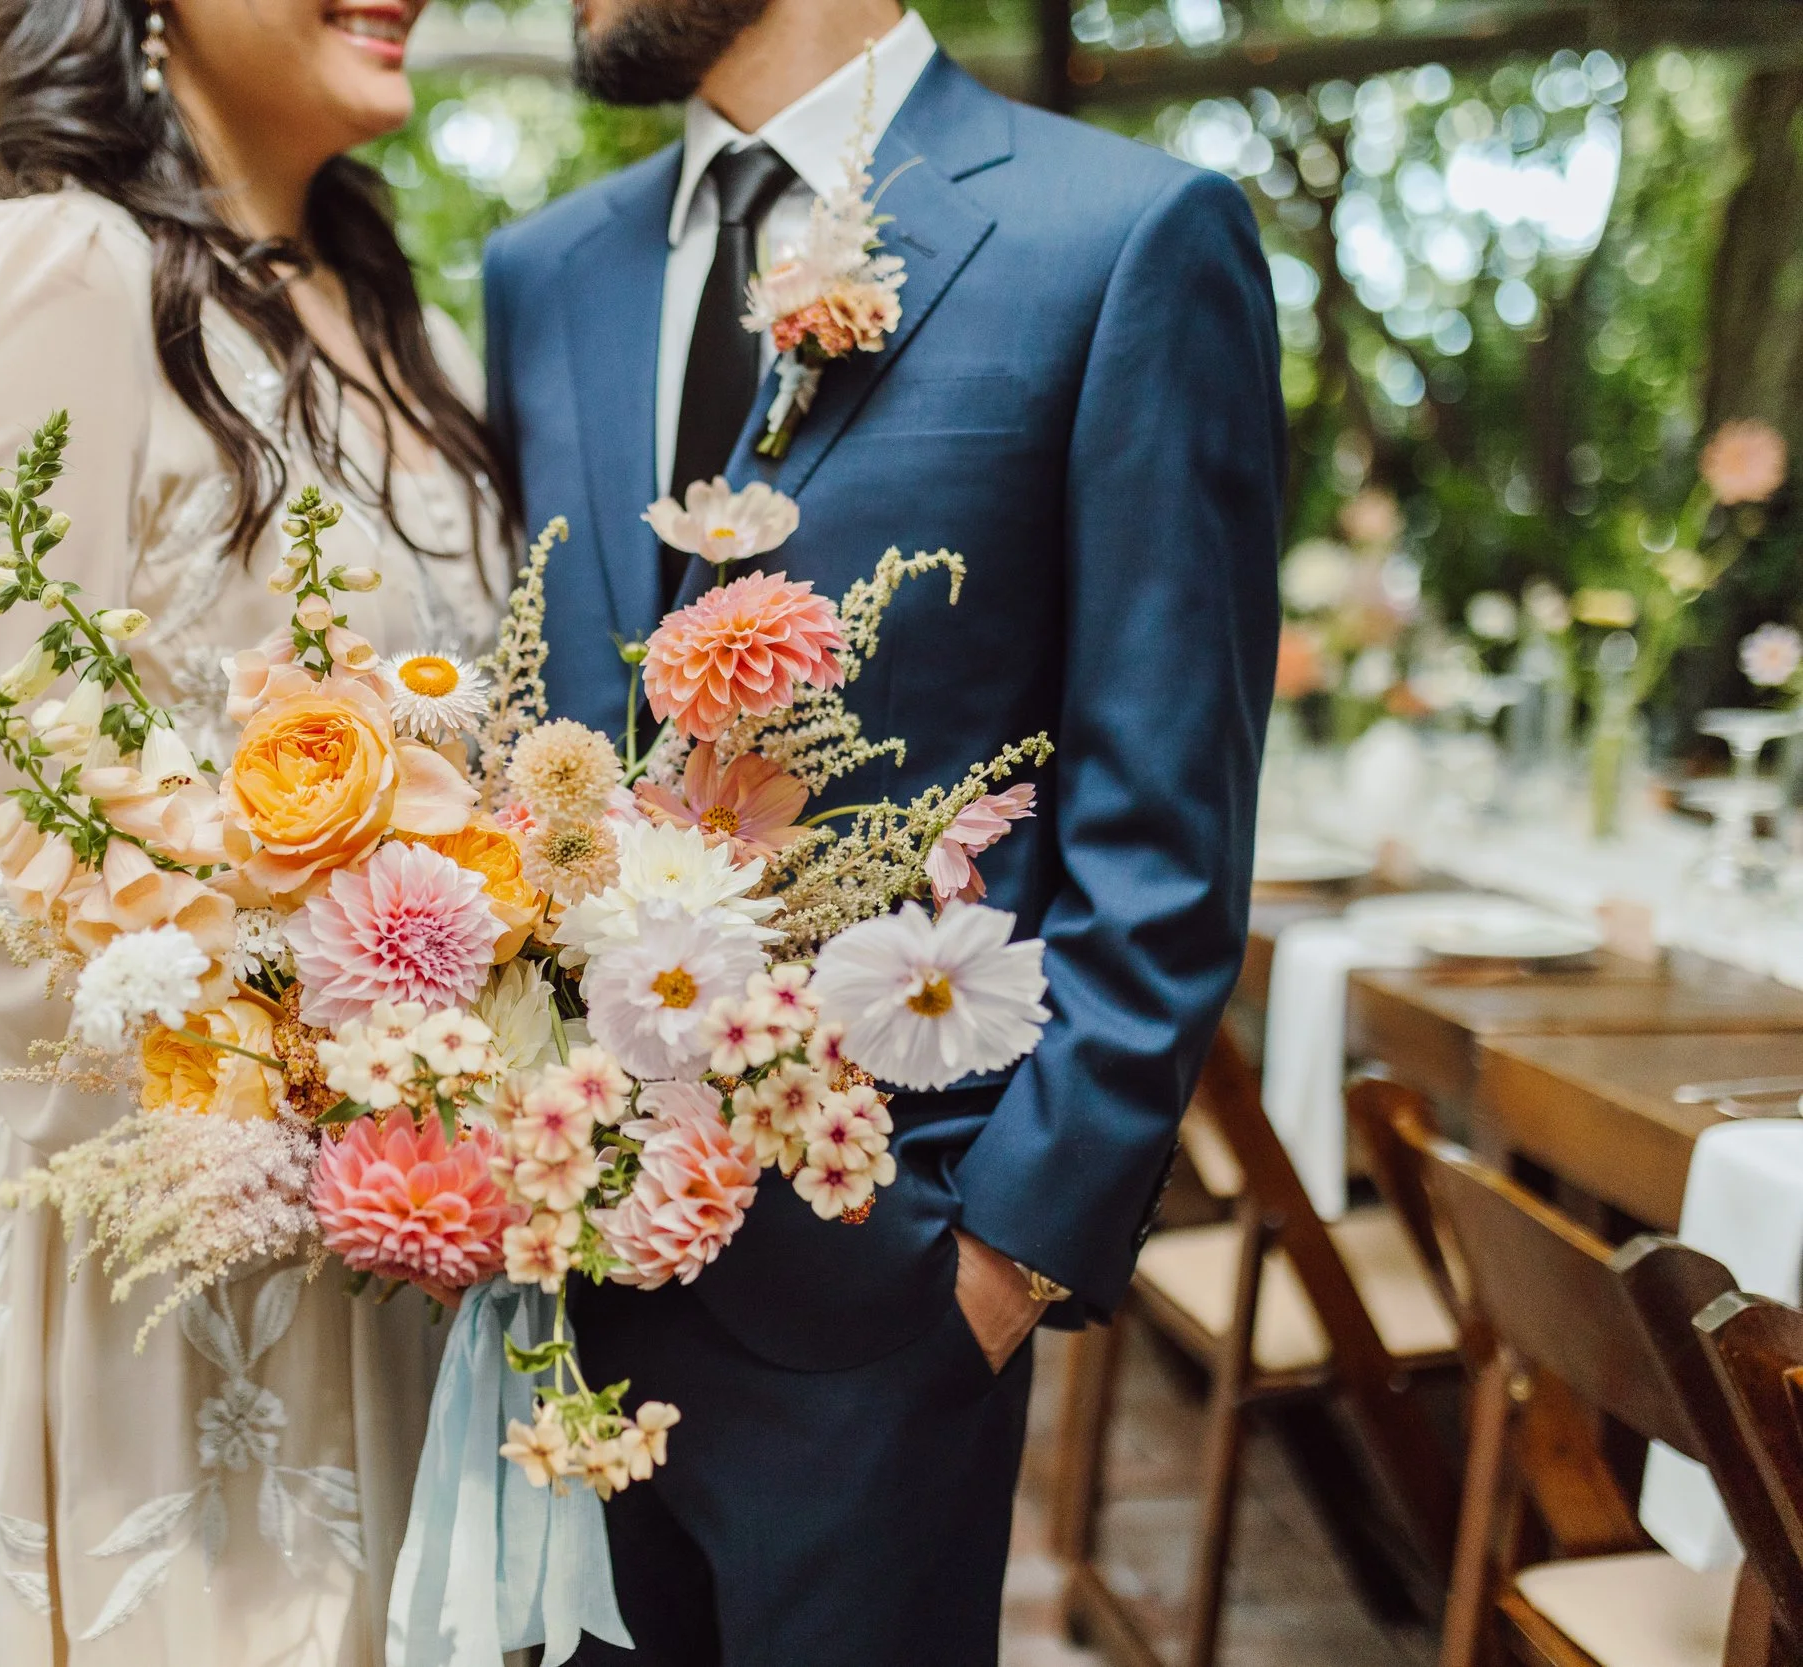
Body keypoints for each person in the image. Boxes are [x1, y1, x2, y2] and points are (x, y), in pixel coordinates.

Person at [482, 0, 1284, 1659]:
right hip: (559, 1271)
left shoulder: (1123, 236)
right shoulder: (541, 271)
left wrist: (1003, 1257)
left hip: (890, 1280)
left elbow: (1169, 819)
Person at [0, 0, 511, 1658]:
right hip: (167, 1256)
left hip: (432, 1227)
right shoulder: (50, 273)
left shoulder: (404, 318)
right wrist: (294, 1113)